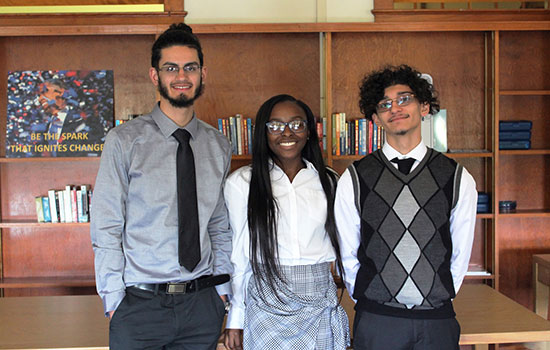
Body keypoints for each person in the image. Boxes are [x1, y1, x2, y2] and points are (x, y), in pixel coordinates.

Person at [90, 23, 233, 349]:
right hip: (140, 305)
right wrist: (114, 300)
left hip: (201, 304)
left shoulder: (218, 144)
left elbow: (218, 224)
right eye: (171, 68)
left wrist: (222, 289)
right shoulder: (124, 141)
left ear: (202, 74)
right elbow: (106, 224)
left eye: (190, 68)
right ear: (155, 76)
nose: (181, 76)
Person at [335, 64, 477, 350]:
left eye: (404, 99)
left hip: (437, 318)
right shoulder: (355, 177)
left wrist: (437, 295)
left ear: (424, 107)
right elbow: (347, 251)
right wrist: (368, 296)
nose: (395, 108)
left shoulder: (457, 176)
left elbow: (460, 252)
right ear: (375, 118)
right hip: (377, 318)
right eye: (385, 104)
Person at [223, 94, 350, 350]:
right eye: (276, 126)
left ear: (309, 131)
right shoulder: (242, 183)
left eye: (296, 124)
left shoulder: (330, 181)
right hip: (265, 301)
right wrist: (235, 318)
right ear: (263, 132)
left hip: (319, 298)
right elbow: (239, 254)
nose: (287, 133)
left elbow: (346, 246)